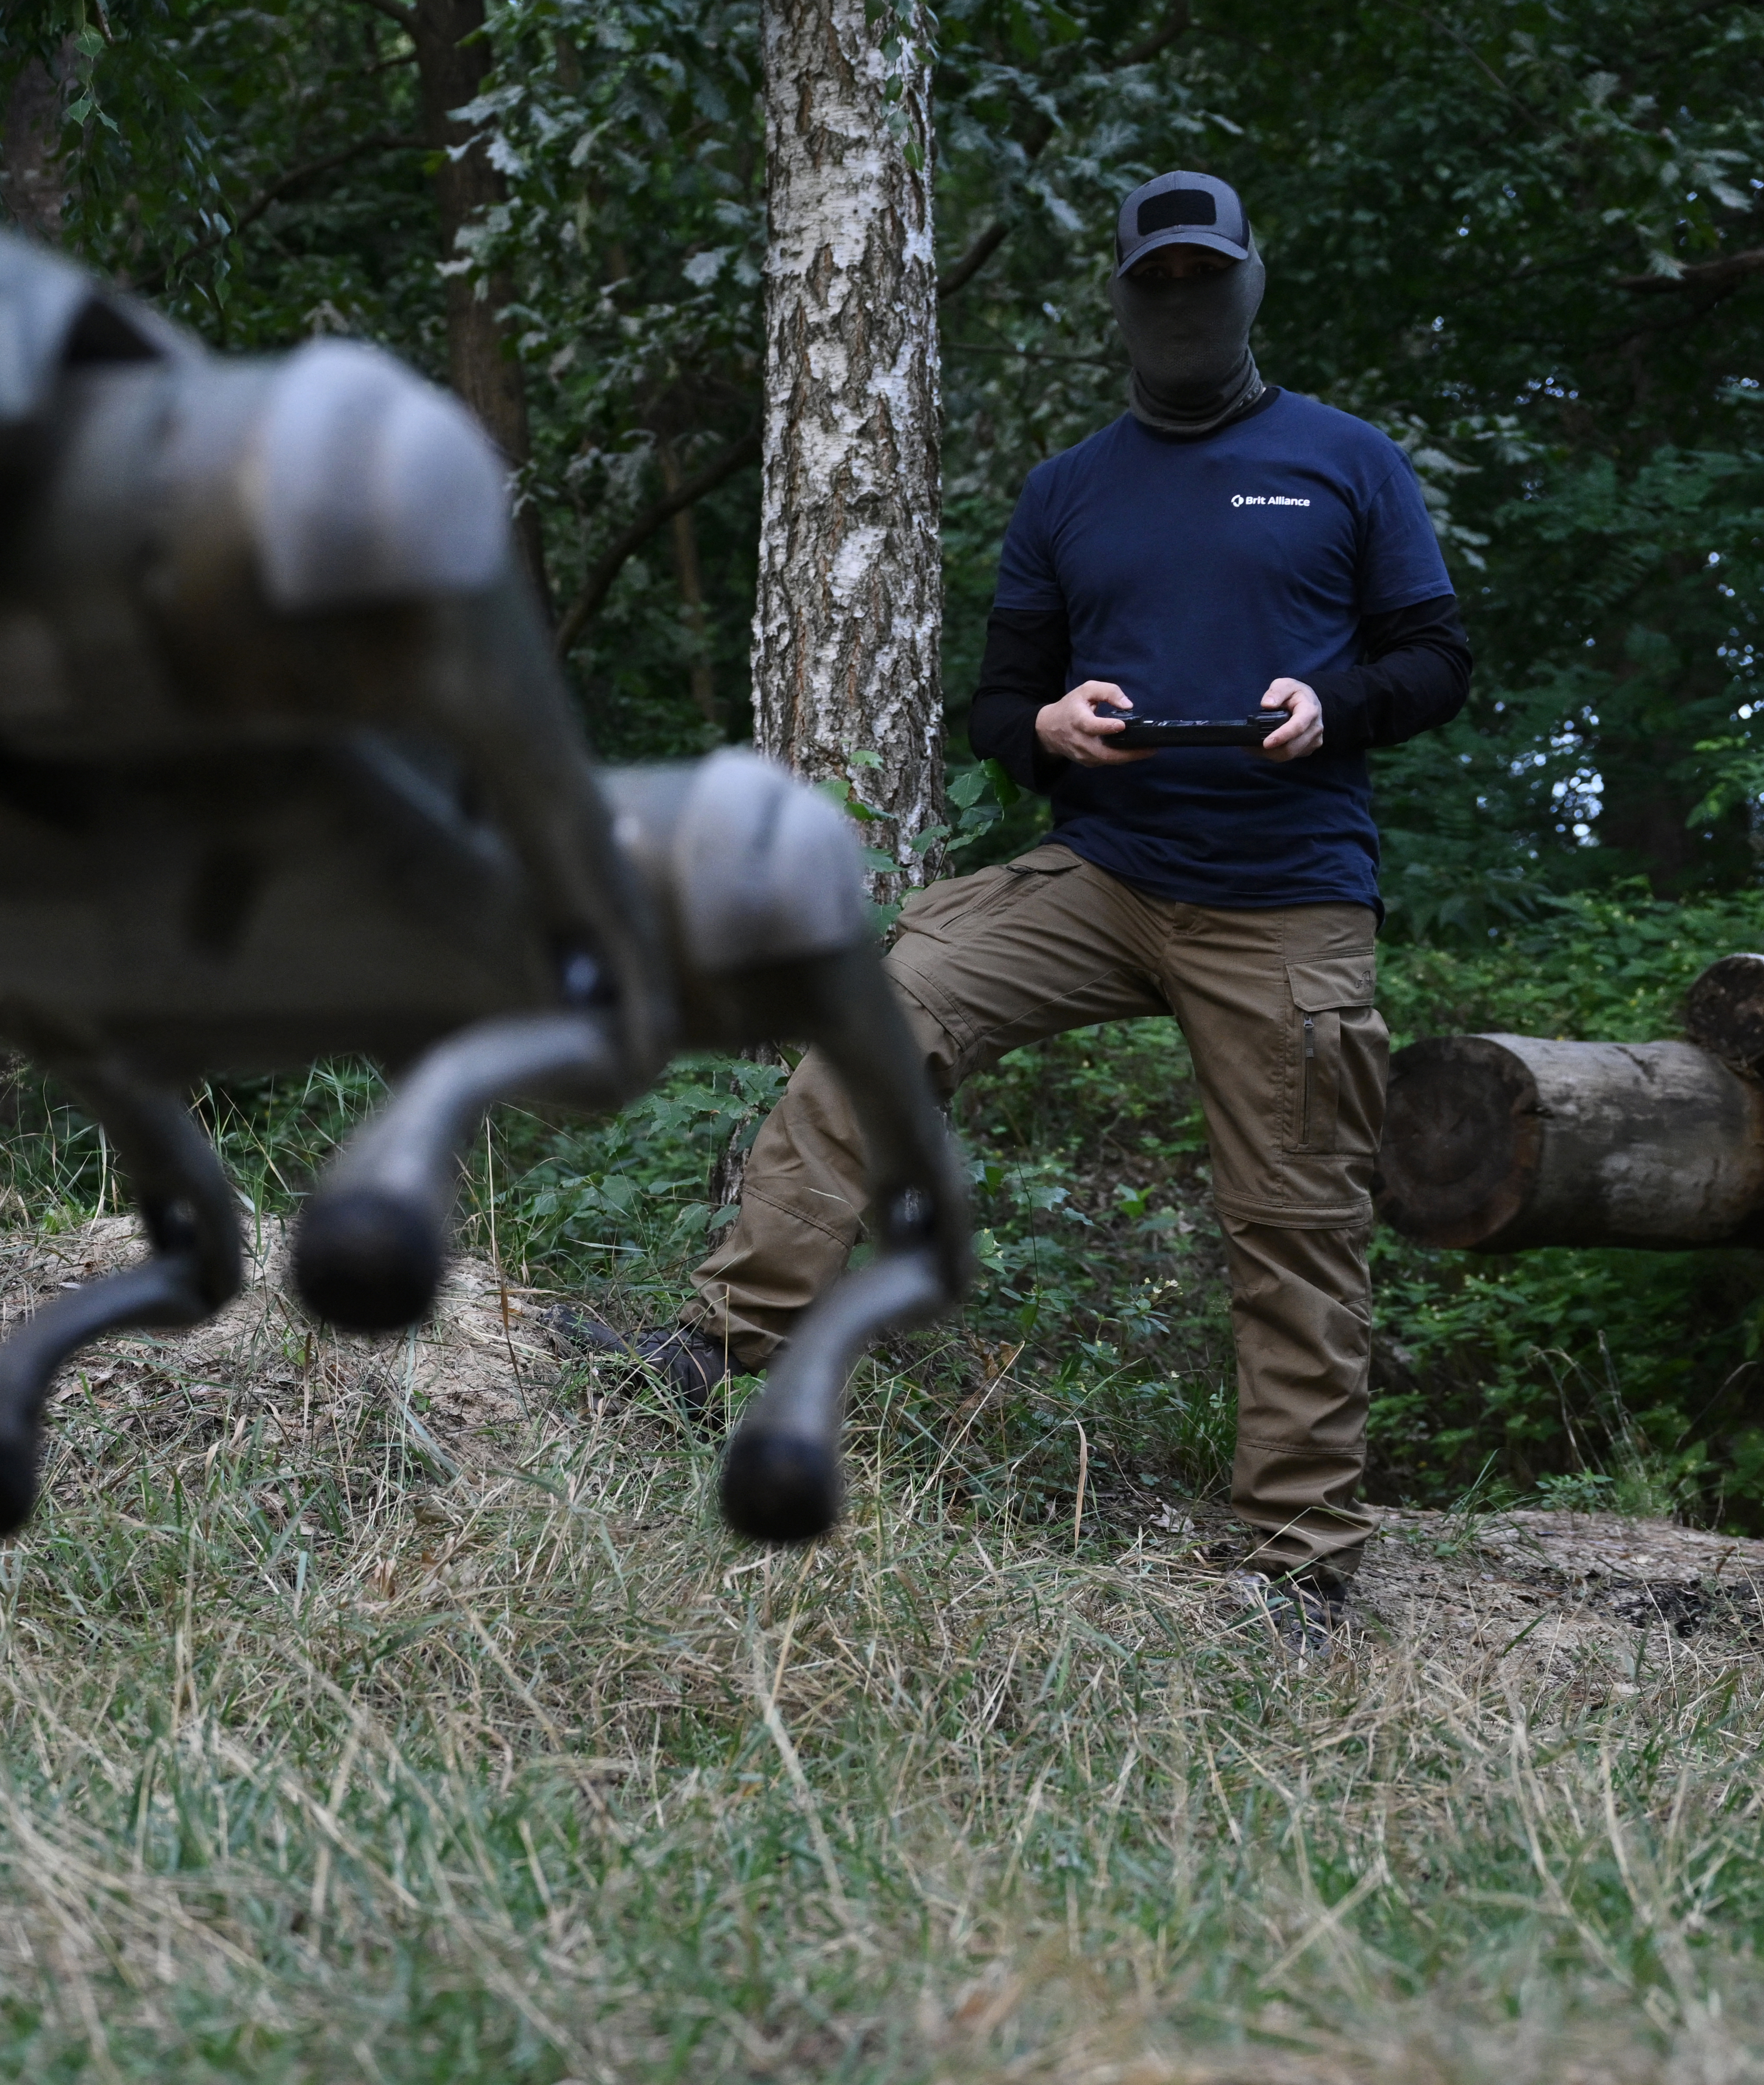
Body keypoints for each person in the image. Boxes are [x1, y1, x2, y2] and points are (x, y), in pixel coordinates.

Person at [620, 171, 1472, 1644]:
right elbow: (1000, 703)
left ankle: (1299, 1564)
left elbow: (1439, 660)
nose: (1184, 305)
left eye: (1208, 278)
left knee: (1296, 1219)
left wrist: (1331, 703)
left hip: (1285, 895)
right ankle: (704, 1352)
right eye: (1160, 284)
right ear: (1128, 301)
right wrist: (1053, 726)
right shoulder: (1072, 488)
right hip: (1102, 871)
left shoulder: (1346, 461)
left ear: (1248, 285)